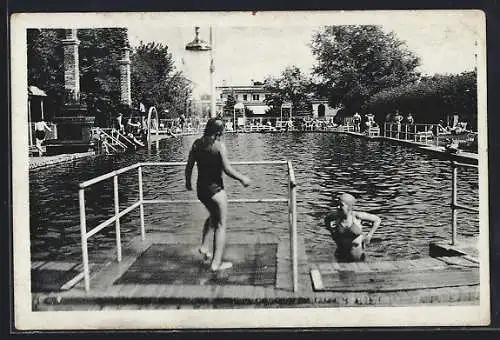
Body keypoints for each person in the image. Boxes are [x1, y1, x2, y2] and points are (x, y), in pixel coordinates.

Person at [185, 118, 251, 271]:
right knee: (220, 225)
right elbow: (227, 170)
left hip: (201, 190)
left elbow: (189, 166)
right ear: (219, 132)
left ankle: (203, 246)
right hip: (216, 192)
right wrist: (242, 178)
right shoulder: (219, 147)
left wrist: (188, 182)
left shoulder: (196, 144)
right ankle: (216, 264)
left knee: (212, 216)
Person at [324, 193, 381, 262]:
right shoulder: (335, 216)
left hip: (357, 252)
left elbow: (377, 220)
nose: (338, 207)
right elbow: (326, 219)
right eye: (337, 204)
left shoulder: (357, 216)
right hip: (341, 252)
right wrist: (332, 231)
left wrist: (369, 235)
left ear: (349, 206)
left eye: (341, 205)